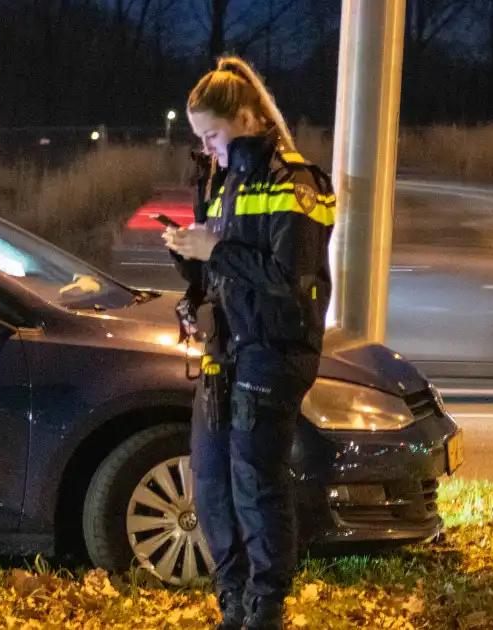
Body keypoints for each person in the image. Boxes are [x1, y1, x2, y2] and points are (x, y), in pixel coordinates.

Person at [163, 56, 336, 630]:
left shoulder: (297, 181)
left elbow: (292, 279)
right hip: (229, 346)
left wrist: (214, 251)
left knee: (254, 480)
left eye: (212, 134)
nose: (208, 148)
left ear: (244, 117)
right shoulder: (226, 180)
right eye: (201, 138)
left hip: (276, 348)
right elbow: (224, 268)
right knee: (211, 480)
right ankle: (232, 603)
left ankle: (266, 608)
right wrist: (191, 268)